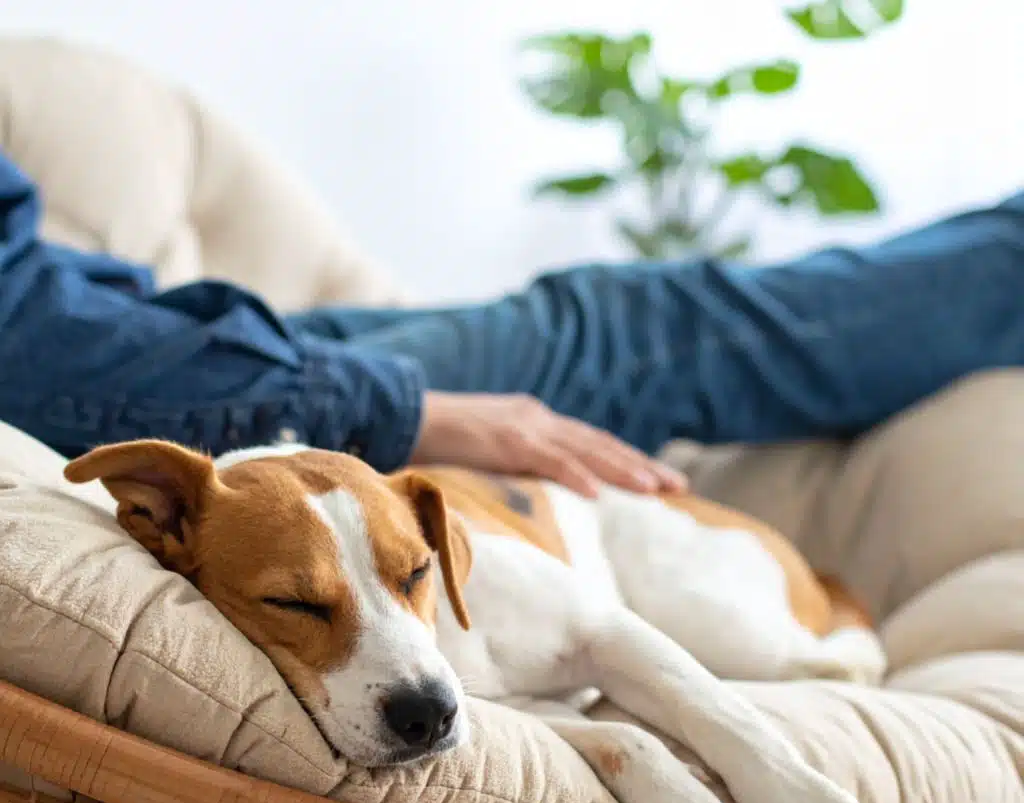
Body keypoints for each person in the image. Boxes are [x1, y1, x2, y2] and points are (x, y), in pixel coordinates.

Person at [2, 149, 1023, 498]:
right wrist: (406, 409)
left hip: (129, 332)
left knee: (608, 317)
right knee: (625, 327)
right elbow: (21, 338)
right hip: (89, 380)